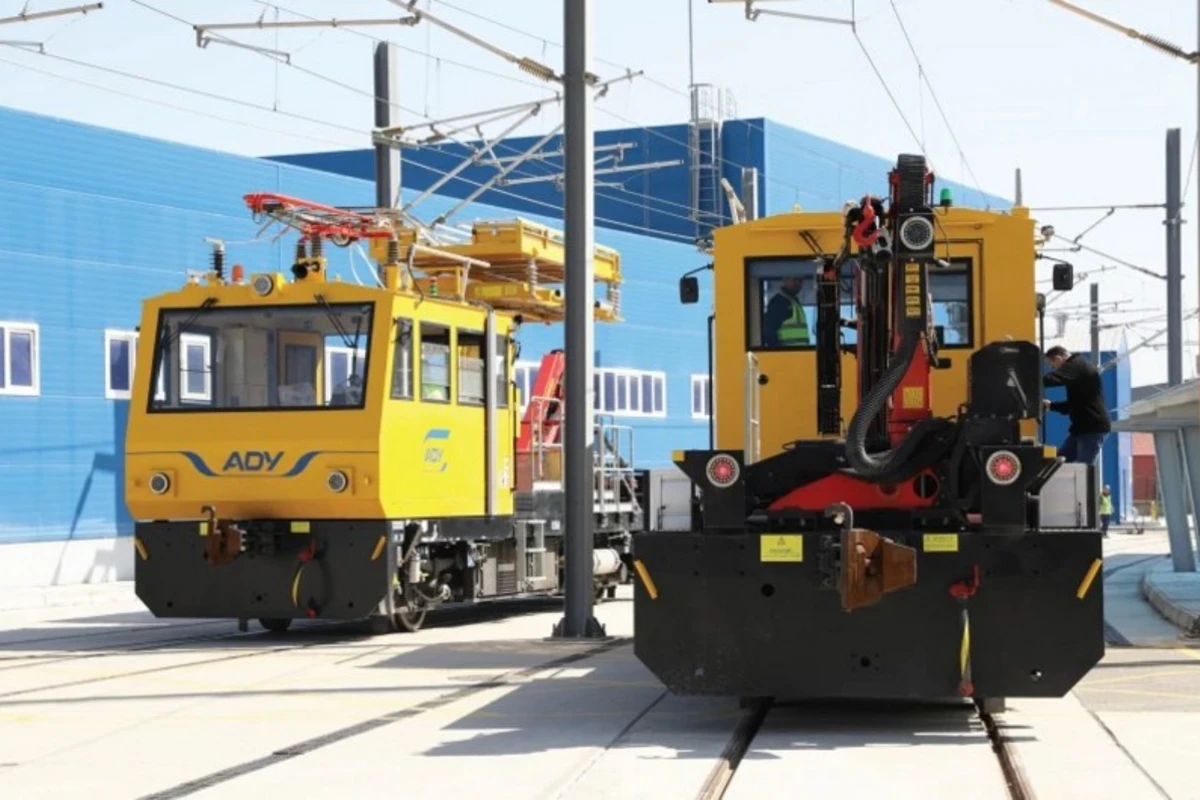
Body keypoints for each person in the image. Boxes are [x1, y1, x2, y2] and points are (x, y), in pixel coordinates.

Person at [1041, 346, 1111, 463]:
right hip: (1082, 429)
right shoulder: (1078, 368)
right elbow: (1073, 405)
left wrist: (1030, 381)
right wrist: (1051, 406)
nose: (1054, 369)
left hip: (1091, 428)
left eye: (1053, 366)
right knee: (1058, 464)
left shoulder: (1076, 364)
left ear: (1058, 359)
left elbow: (1053, 379)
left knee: (1082, 469)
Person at [763, 276, 810, 346]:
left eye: (800, 281)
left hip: (801, 354)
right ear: (785, 280)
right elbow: (769, 333)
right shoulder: (779, 302)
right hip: (787, 355)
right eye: (794, 280)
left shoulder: (795, 302)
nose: (798, 284)